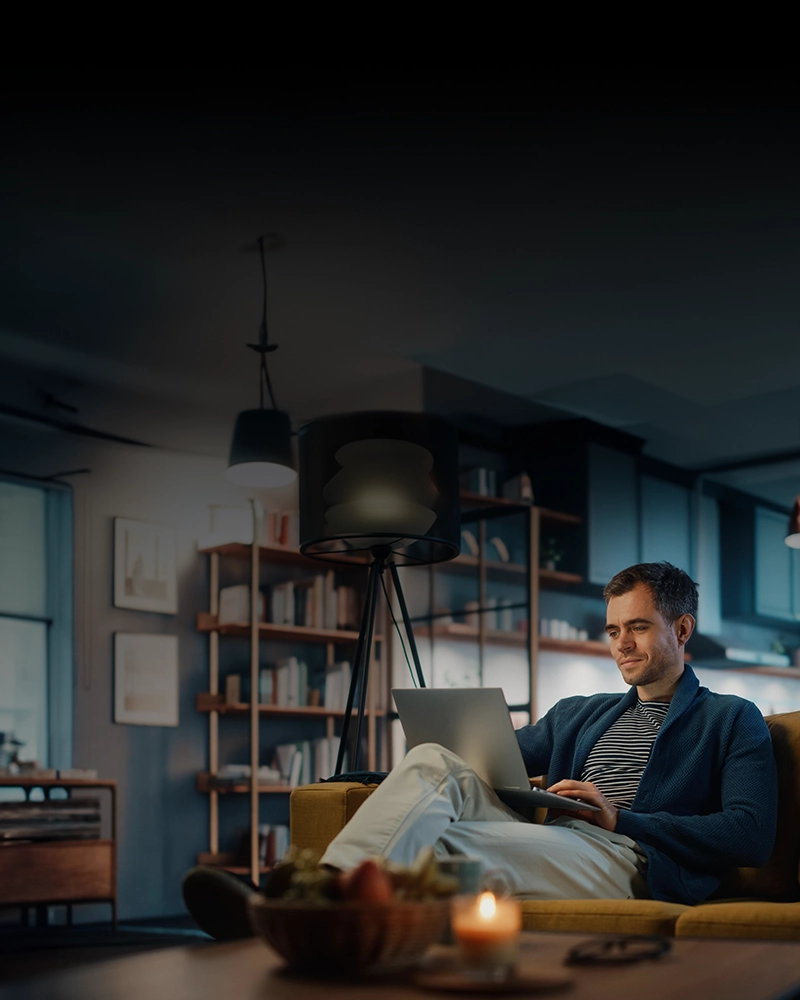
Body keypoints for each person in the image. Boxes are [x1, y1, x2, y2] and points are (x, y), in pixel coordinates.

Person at [183, 561, 777, 937]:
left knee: (437, 845)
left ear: (681, 629)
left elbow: (750, 834)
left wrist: (622, 818)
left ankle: (291, 910)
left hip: (631, 858)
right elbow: (481, 759)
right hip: (558, 841)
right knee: (436, 759)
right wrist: (378, 779)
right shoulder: (580, 712)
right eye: (614, 630)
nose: (621, 644)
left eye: (638, 627)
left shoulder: (730, 718)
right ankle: (310, 906)